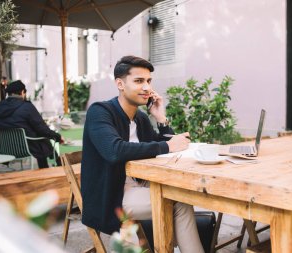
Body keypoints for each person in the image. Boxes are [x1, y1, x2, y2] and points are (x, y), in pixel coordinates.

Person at [81, 56, 204, 253]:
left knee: (181, 195)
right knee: (178, 202)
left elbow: (159, 144)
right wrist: (168, 146)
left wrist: (161, 118)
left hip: (138, 185)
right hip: (110, 196)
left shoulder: (140, 118)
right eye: (139, 81)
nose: (147, 87)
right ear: (120, 84)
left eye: (149, 81)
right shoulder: (100, 112)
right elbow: (114, 150)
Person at [0, 80, 63, 168]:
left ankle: (55, 163)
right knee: (43, 139)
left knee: (40, 137)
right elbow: (41, 128)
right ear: (22, 92)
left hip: (4, 148)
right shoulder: (26, 107)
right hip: (24, 148)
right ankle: (51, 167)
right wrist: (57, 136)